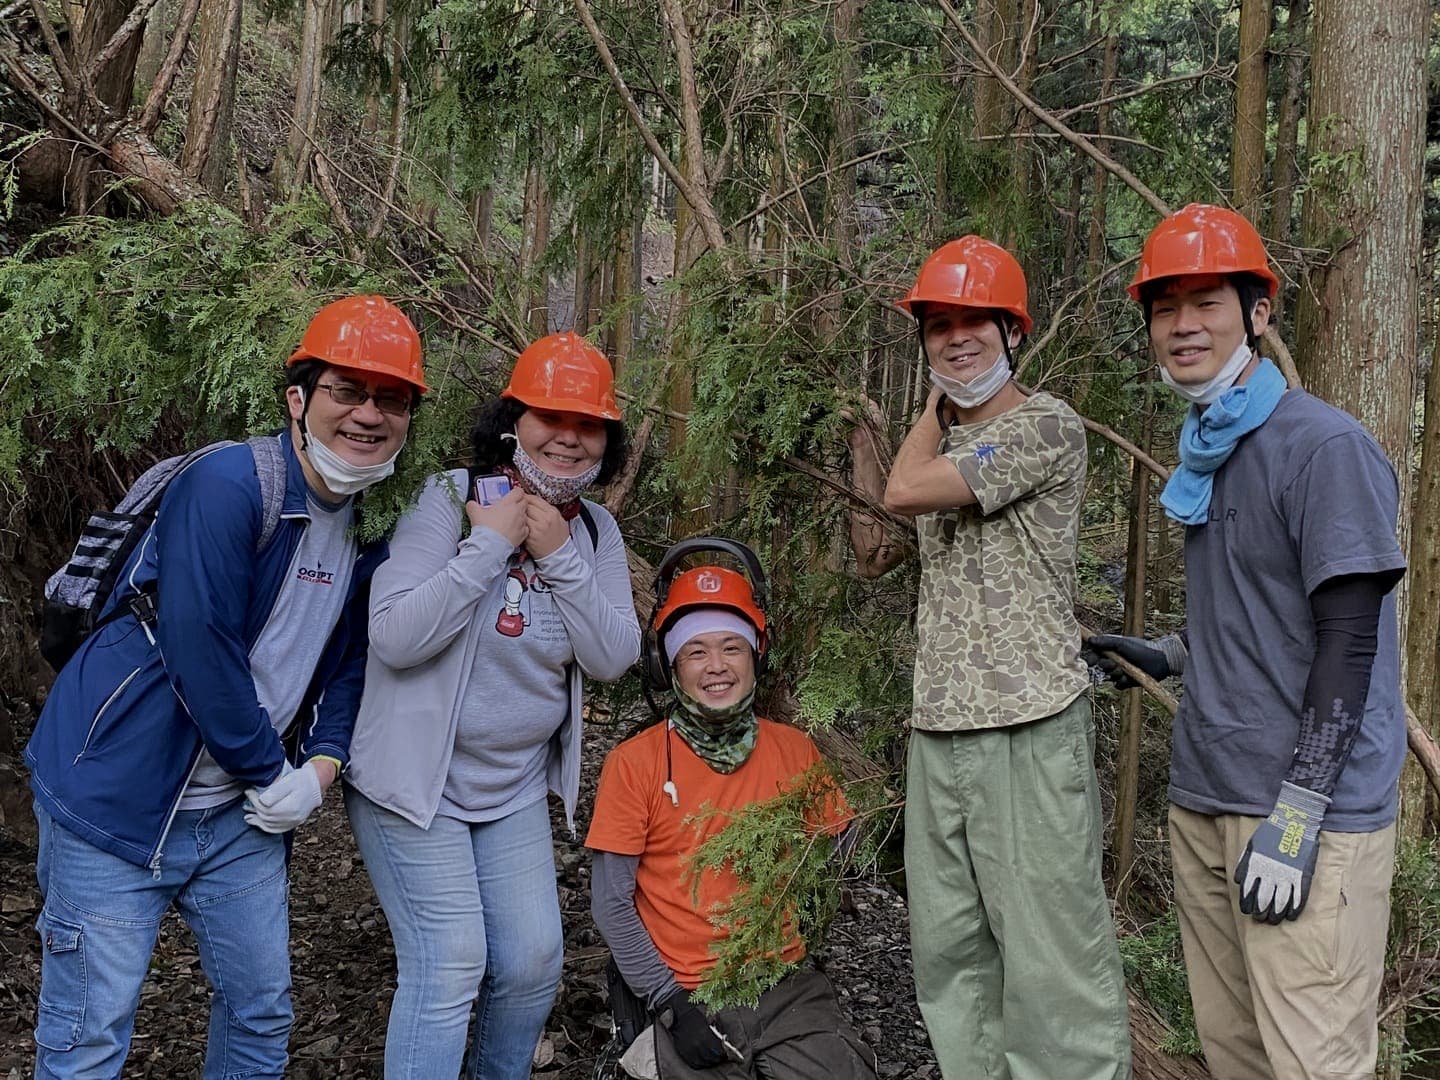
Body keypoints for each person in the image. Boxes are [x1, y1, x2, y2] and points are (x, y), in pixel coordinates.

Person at [25, 294, 428, 1078]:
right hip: (114, 800)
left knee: (260, 1011)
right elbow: (198, 647)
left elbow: (350, 661)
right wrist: (270, 771)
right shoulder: (228, 484)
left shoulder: (368, 528)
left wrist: (324, 766)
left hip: (239, 819)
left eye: (392, 399)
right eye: (347, 390)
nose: (369, 415)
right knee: (88, 1040)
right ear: (298, 398)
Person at [1085, 204, 1406, 1080]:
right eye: (1164, 307)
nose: (1183, 325)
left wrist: (1298, 816)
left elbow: (1349, 644)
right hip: (1208, 797)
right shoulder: (1211, 449)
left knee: (1313, 1065)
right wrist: (1172, 653)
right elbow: (1267, 618)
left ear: (1258, 313)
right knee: (1237, 1059)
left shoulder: (1323, 447)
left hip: (1309, 814)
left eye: (1206, 302)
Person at [850, 236, 1130, 1080]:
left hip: (1028, 722)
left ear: (1015, 333)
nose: (956, 339)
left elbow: (899, 494)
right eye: (938, 325)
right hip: (940, 725)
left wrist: (931, 410)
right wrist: (928, 414)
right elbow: (875, 545)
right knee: (951, 957)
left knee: (1051, 961)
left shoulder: (1045, 425)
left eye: (976, 322)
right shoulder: (945, 441)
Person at [343, 331, 641, 1080]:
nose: (569, 439)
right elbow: (395, 636)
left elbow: (612, 657)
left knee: (534, 964)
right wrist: (486, 548)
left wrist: (558, 555)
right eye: (550, 418)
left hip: (507, 787)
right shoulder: (448, 497)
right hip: (418, 782)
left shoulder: (597, 531)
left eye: (589, 425)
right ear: (514, 421)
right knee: (449, 966)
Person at [586, 537, 877, 1079]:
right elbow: (610, 902)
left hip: (786, 986)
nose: (716, 666)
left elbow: (839, 854)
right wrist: (668, 1001)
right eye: (696, 651)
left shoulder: (794, 749)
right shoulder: (635, 763)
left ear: (756, 655)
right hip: (687, 992)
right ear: (668, 664)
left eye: (732, 647)